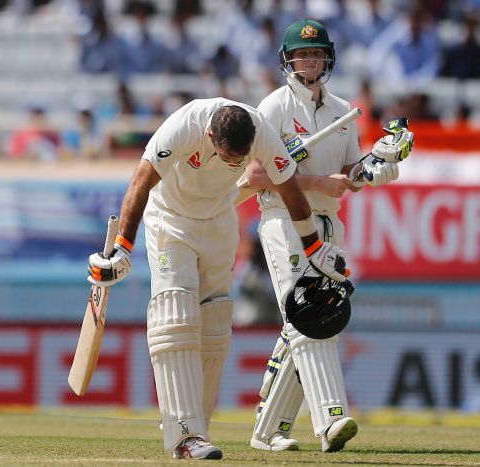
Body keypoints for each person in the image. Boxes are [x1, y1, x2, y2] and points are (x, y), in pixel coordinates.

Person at [86, 96, 351, 460]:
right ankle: (183, 434)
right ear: (209, 135)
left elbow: (288, 187)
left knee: (214, 322)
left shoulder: (259, 131)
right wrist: (123, 249)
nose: (234, 164)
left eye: (238, 159)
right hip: (171, 218)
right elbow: (141, 182)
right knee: (176, 316)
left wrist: (313, 247)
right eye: (228, 156)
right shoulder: (184, 126)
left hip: (220, 217)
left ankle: (198, 430)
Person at [242, 19, 411, 453]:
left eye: (315, 54)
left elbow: (351, 172)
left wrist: (375, 168)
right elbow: (257, 174)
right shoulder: (275, 107)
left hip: (327, 225)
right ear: (287, 59)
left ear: (327, 59)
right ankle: (330, 421)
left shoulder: (342, 110)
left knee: (315, 319)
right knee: (310, 314)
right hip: (283, 220)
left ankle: (268, 430)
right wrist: (318, 182)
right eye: (301, 54)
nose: (309, 61)